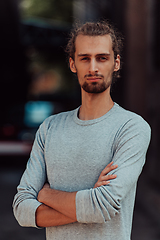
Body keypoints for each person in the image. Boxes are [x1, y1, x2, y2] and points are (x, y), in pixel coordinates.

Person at [13, 21, 151, 240]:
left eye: (102, 58)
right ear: (72, 64)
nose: (93, 67)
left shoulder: (131, 127)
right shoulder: (50, 128)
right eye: (85, 58)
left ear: (116, 63)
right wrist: (89, 202)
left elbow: (102, 207)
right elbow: (21, 209)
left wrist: (46, 194)